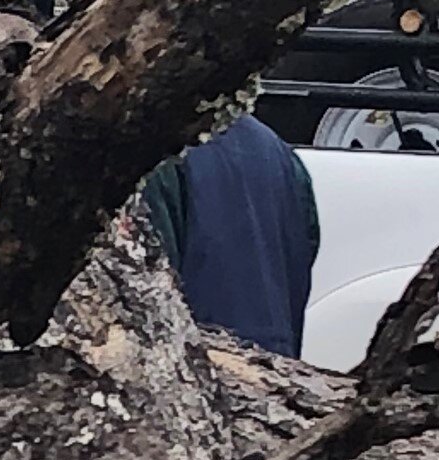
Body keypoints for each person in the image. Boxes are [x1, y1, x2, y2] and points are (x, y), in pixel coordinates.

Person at [137, 108, 320, 354]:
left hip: (186, 366)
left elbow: (146, 279)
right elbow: (303, 253)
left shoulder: (148, 156)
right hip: (274, 367)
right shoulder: (277, 151)